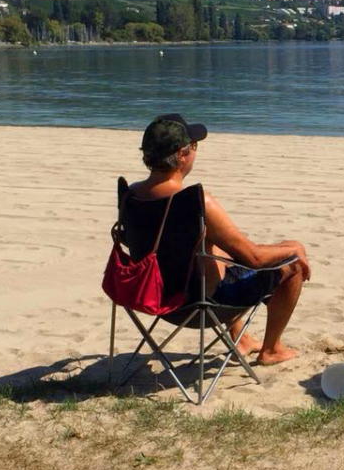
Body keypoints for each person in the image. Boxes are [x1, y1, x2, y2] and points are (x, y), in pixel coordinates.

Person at [123, 113, 310, 366]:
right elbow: (254, 258)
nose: (195, 152)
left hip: (152, 296)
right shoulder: (197, 202)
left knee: (219, 252)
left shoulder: (131, 195)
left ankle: (241, 339)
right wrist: (294, 248)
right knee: (293, 264)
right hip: (201, 305)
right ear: (183, 154)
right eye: (194, 146)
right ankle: (272, 349)